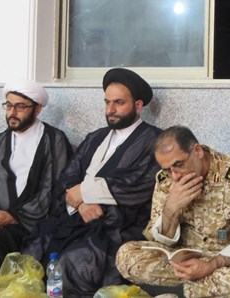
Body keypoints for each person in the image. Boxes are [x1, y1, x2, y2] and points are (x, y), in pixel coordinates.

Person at [23, 68, 162, 297]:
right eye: (107, 102)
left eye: (119, 103)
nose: (110, 110)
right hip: (78, 217)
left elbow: (141, 184)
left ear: (138, 106)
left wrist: (84, 191)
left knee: (74, 262)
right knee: (34, 252)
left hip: (119, 224)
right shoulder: (95, 137)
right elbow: (67, 178)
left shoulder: (155, 140)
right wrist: (80, 203)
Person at [116, 125, 230, 298]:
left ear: (197, 151)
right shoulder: (166, 180)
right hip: (183, 259)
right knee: (126, 256)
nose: (175, 176)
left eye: (179, 164)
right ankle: (198, 292)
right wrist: (170, 209)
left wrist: (211, 265)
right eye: (168, 169)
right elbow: (157, 240)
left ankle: (173, 292)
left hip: (225, 262)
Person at [0, 79, 72, 267]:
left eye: (20, 107)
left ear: (37, 109)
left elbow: (53, 189)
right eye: (9, 106)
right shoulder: (0, 141)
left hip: (33, 224)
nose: (12, 112)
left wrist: (14, 216)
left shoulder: (54, 140)